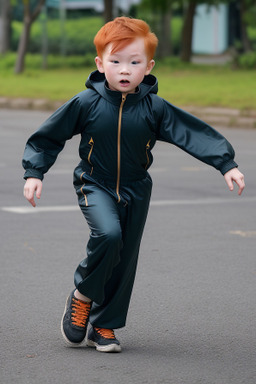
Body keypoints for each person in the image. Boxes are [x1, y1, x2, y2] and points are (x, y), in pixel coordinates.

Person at [22, 17, 245, 353]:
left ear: (148, 67)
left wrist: (225, 163)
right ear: (100, 64)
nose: (124, 70)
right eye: (115, 61)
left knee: (125, 257)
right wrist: (34, 172)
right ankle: (82, 295)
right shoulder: (86, 102)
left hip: (137, 188)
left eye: (134, 62)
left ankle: (105, 326)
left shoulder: (154, 108)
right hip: (94, 182)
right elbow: (48, 136)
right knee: (109, 236)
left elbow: (191, 133)